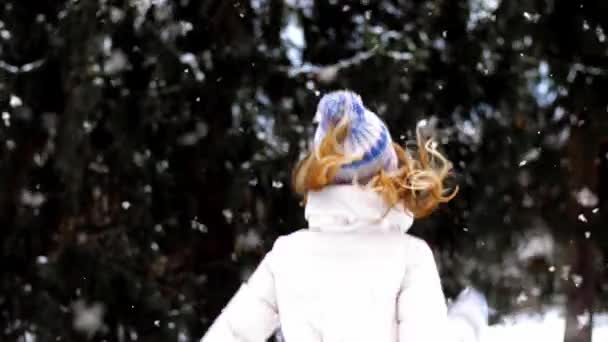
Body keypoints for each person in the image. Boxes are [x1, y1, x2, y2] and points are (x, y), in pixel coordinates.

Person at [201, 90, 488, 342]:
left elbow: (233, 334)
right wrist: (467, 324)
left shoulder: (287, 255)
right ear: (390, 170)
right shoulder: (409, 258)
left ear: (322, 173)